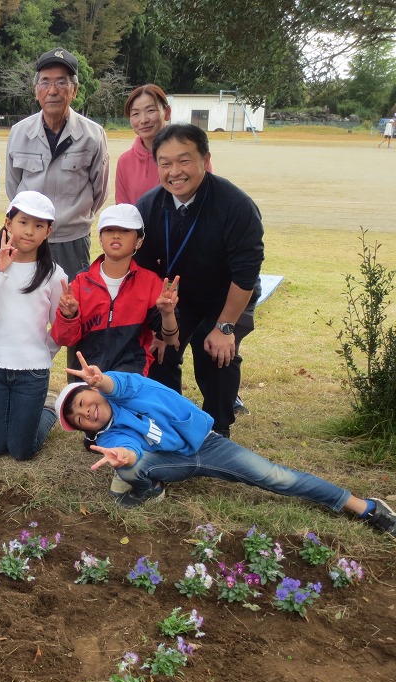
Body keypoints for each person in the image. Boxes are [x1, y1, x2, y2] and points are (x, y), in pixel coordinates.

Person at [53, 352, 396, 537]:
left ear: (92, 390)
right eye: (79, 418)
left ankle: (364, 507)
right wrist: (124, 456)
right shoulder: (108, 436)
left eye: (82, 402)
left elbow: (120, 386)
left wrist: (103, 379)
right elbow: (130, 446)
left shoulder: (126, 387)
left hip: (208, 445)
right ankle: (151, 489)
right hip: (171, 462)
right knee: (132, 468)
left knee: (274, 476)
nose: (86, 412)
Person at [134, 123, 263, 438]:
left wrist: (225, 327)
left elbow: (246, 273)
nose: (174, 172)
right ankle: (170, 422)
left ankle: (218, 429)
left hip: (226, 297)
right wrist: (158, 324)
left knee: (216, 354)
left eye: (184, 160)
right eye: (165, 163)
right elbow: (144, 270)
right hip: (176, 300)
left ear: (205, 159)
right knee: (161, 353)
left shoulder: (236, 205)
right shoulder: (148, 206)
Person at [0, 191, 66, 460]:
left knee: (22, 451)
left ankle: (48, 410)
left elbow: (58, 328)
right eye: (23, 222)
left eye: (39, 225)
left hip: (32, 373)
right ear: (8, 223)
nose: (29, 231)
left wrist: (42, 354)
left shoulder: (53, 274)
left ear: (48, 232)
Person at [6, 48, 109, 280]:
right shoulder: (19, 132)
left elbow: (99, 191)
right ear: (36, 90)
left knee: (70, 300)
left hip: (72, 240)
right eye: (45, 82)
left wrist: (72, 218)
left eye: (62, 82)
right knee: (27, 299)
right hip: (28, 239)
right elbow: (13, 187)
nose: (52, 90)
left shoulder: (93, 135)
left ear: (75, 90)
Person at [52, 203, 179, 376]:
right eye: (109, 230)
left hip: (130, 377)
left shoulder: (150, 283)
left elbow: (170, 339)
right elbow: (64, 339)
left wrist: (167, 314)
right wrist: (68, 316)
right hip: (86, 376)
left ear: (139, 241)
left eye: (125, 231)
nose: (116, 235)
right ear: (100, 238)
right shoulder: (81, 282)